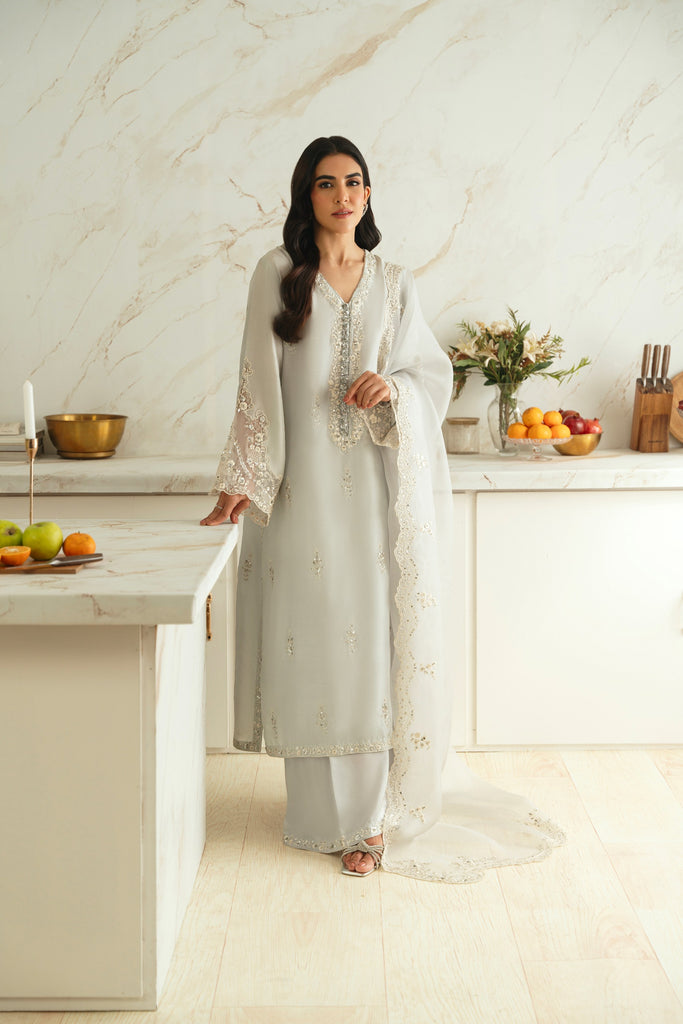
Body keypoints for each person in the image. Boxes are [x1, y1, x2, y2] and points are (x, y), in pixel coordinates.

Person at [202, 136, 565, 881]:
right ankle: (317, 817)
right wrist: (243, 476)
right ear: (306, 195)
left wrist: (391, 388)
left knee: (368, 645)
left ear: (368, 194)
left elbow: (430, 375)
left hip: (373, 493)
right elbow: (255, 380)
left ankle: (369, 824)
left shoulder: (395, 283)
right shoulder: (278, 274)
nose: (343, 195)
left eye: (354, 182)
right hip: (297, 493)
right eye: (326, 183)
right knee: (310, 643)